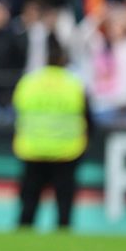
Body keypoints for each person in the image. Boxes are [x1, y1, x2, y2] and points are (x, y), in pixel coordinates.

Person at [12, 34, 91, 229]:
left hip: (33, 148)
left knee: (29, 202)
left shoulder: (29, 82)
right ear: (64, 60)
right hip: (67, 150)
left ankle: (23, 235)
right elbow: (88, 118)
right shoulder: (74, 83)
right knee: (64, 205)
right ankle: (63, 235)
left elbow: (17, 112)